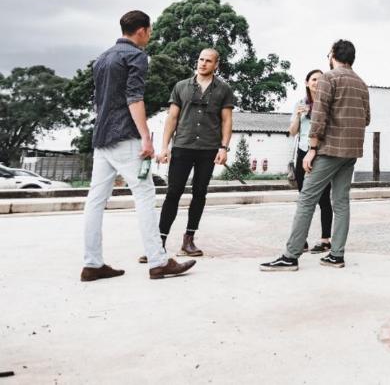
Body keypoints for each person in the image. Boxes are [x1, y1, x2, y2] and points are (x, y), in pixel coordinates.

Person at [82, 10, 195, 281]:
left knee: (95, 201)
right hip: (124, 136)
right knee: (144, 195)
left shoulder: (102, 58)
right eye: (150, 30)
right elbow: (134, 97)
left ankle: (92, 263)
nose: (151, 34)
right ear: (142, 30)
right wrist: (145, 136)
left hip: (102, 136)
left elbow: (98, 102)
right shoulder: (136, 56)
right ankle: (158, 261)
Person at [261, 39, 371, 271]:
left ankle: (290, 256)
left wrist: (311, 149)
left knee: (306, 199)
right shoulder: (361, 84)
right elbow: (367, 119)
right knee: (341, 202)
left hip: (329, 149)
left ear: (332, 55)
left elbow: (319, 116)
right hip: (351, 152)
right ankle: (336, 254)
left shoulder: (328, 78)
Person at [152, 48, 235, 258]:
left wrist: (223, 148)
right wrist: (165, 147)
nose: (203, 63)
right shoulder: (181, 86)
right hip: (182, 146)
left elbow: (227, 120)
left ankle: (188, 241)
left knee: (200, 193)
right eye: (200, 59)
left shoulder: (224, 89)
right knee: (173, 192)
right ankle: (159, 242)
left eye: (208, 61)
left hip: (208, 148)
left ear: (216, 65)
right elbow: (171, 118)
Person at [289, 69, 332, 252]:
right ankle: (301, 238)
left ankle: (325, 240)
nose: (317, 82)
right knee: (303, 198)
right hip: (302, 152)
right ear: (306, 82)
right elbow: (292, 132)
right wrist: (299, 115)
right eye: (313, 79)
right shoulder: (300, 103)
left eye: (320, 80)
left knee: (323, 199)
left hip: (321, 154)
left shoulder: (328, 102)